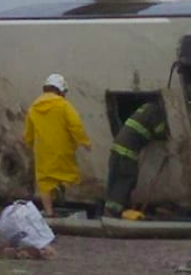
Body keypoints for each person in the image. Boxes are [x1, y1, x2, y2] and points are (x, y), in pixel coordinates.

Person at [22, 73, 91, 216]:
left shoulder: (34, 108)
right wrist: (84, 141)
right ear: (61, 90)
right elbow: (75, 125)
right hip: (63, 149)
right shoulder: (63, 105)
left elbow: (29, 132)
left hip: (43, 152)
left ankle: (49, 212)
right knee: (69, 176)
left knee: (44, 183)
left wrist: (29, 144)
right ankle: (65, 196)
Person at [104, 101, 168, 218]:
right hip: (127, 154)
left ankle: (110, 210)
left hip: (116, 150)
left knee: (114, 181)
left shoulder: (144, 108)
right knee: (126, 180)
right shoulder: (156, 111)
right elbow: (160, 131)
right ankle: (114, 212)